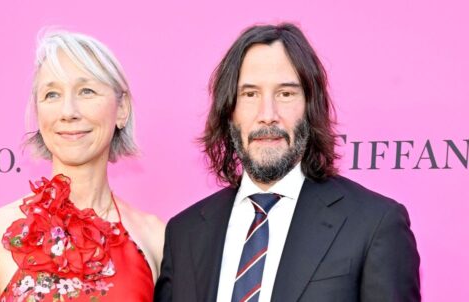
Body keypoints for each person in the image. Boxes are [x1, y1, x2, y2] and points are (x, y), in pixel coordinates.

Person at [154, 23, 420, 302]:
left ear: (310, 107)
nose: (267, 114)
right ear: (229, 111)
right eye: (250, 94)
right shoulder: (183, 234)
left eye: (286, 93)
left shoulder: (375, 224)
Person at [0, 30, 165, 302]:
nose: (68, 111)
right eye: (52, 94)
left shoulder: (155, 238)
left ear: (122, 108)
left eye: (86, 91)